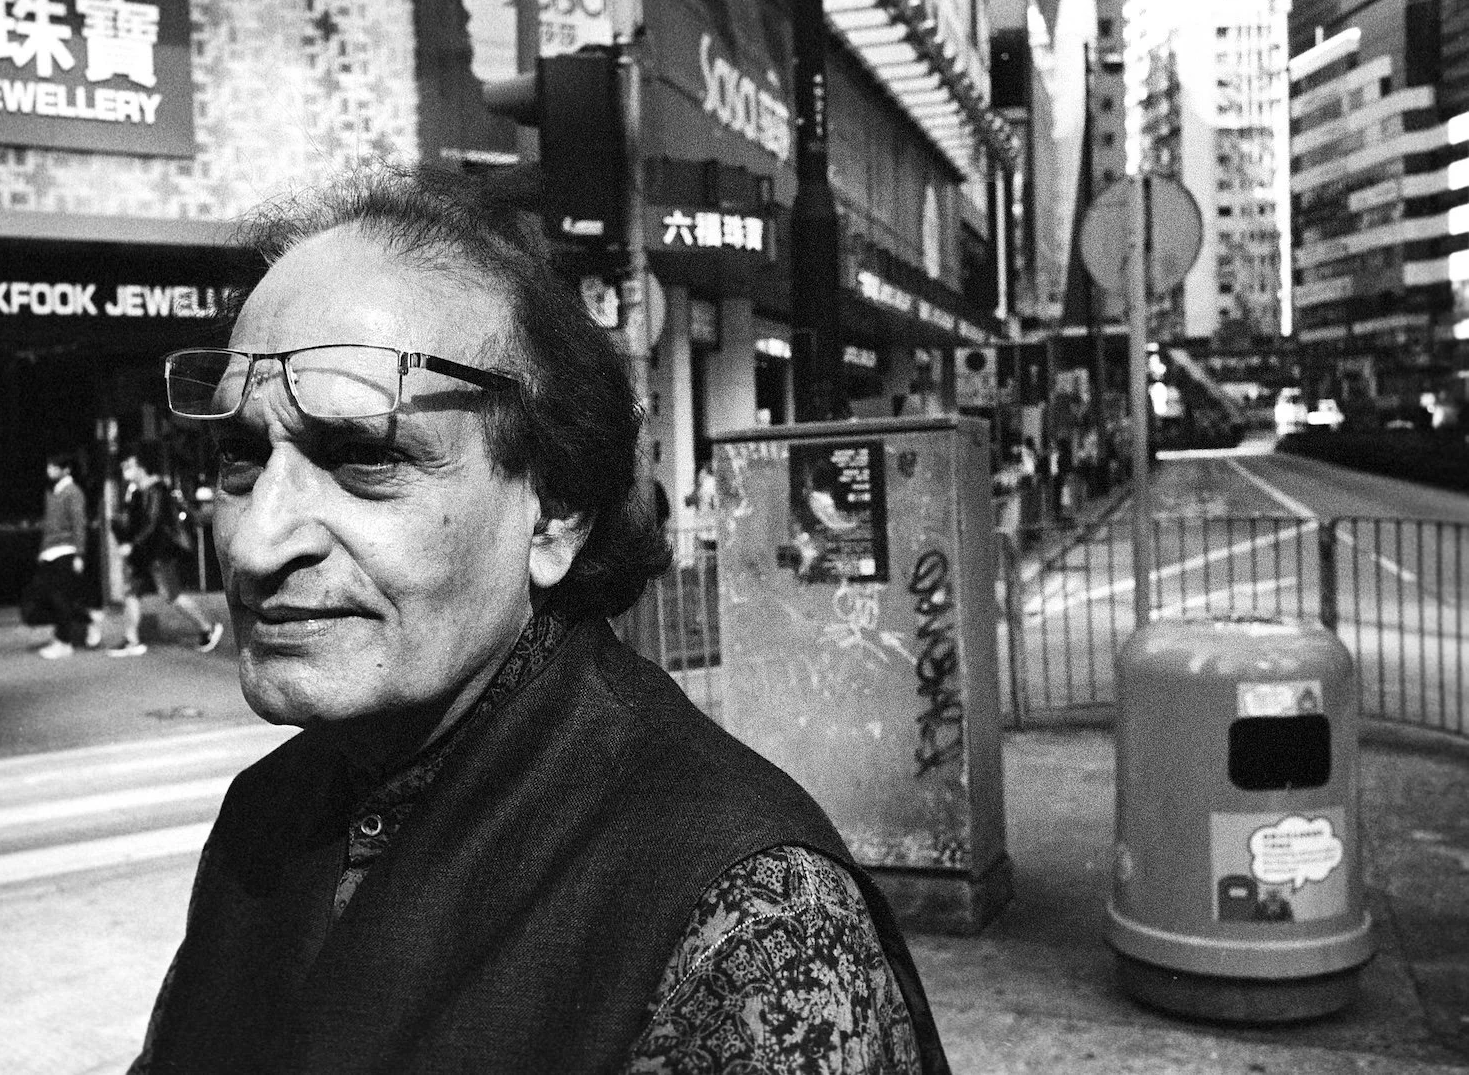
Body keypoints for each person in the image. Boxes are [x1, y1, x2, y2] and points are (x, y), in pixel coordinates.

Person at [130, 164, 951, 1074]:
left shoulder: (743, 912)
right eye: (241, 457)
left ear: (554, 515)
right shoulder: (267, 817)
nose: (256, 542)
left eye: (366, 457)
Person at [110, 443, 225, 657]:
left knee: (171, 594)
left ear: (142, 467)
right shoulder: (135, 491)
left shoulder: (156, 490)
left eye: (130, 465)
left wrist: (132, 544)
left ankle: (208, 628)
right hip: (143, 553)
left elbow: (152, 524)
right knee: (131, 592)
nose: (125, 469)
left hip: (158, 552)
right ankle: (131, 639)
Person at [24, 451, 103, 659]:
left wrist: (80, 554)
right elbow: (48, 526)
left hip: (66, 550)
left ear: (66, 470)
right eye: (48, 467)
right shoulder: (52, 492)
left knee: (59, 597)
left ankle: (63, 641)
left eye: (54, 467)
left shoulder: (73, 492)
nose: (49, 471)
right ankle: (86, 620)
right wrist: (43, 551)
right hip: (50, 552)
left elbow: (79, 524)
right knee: (46, 597)